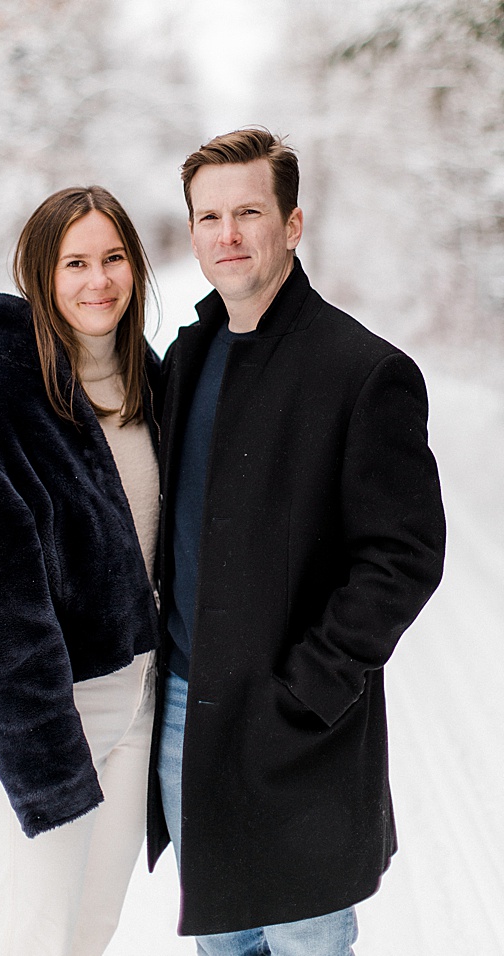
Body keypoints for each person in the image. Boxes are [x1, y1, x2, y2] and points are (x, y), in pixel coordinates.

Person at [149, 128, 446, 953]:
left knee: (309, 941)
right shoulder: (191, 353)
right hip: (185, 716)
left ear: (294, 223)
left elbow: (404, 557)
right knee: (226, 944)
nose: (227, 235)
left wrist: (310, 688)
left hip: (297, 729)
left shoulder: (362, 371)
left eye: (248, 211)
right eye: (209, 217)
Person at [0, 186, 162, 956]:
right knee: (31, 933)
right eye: (76, 263)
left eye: (113, 258)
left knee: (91, 928)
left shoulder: (151, 383)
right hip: (59, 712)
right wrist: (41, 756)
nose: (99, 281)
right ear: (40, 276)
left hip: (143, 701)